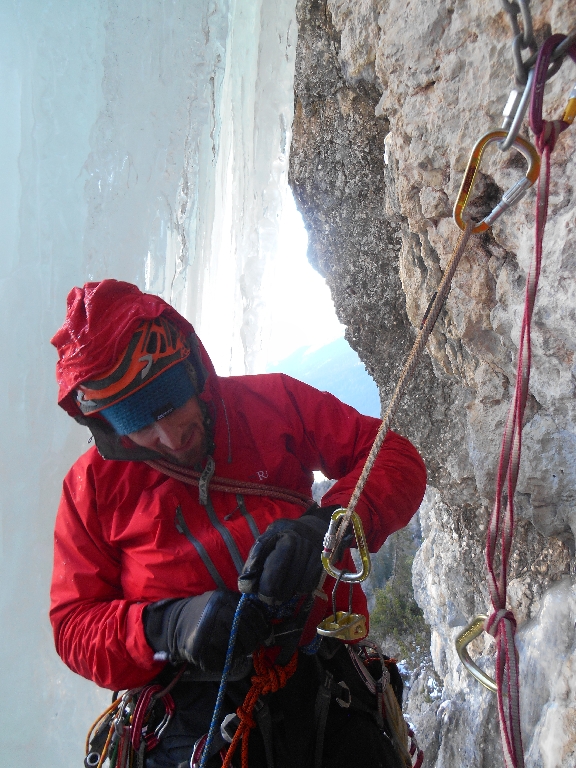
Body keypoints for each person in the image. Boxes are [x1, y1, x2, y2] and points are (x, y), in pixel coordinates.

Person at [50, 279, 427, 768]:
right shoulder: (94, 489)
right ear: (111, 430)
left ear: (190, 372)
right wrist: (167, 627)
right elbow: (74, 627)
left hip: (319, 672)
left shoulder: (269, 405)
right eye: (140, 426)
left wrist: (325, 525)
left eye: (169, 407)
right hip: (189, 707)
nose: (168, 437)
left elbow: (394, 457)